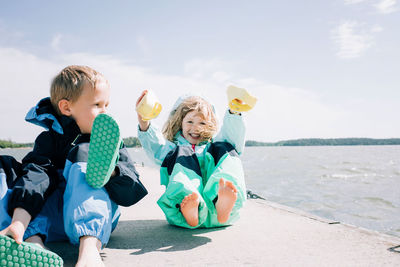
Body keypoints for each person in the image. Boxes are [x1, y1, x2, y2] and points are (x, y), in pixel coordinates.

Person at [0, 65, 148, 267]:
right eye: (97, 105)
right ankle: (28, 244)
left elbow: (132, 193)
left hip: (94, 220)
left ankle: (89, 252)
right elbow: (35, 176)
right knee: (7, 166)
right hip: (47, 221)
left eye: (107, 105)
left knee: (84, 154)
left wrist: (112, 172)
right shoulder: (48, 141)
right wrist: (19, 222)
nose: (105, 112)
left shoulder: (108, 142)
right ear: (67, 108)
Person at [136, 90, 249, 228]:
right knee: (180, 153)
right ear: (180, 123)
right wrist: (144, 122)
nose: (195, 128)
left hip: (217, 212)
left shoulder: (212, 147)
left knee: (225, 147)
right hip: (183, 210)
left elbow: (232, 136)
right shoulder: (175, 150)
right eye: (190, 121)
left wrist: (234, 112)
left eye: (202, 123)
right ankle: (191, 205)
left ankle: (221, 202)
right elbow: (156, 146)